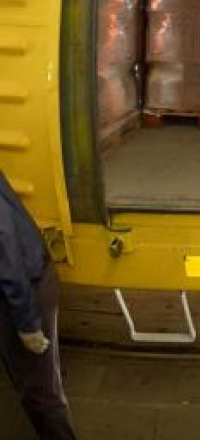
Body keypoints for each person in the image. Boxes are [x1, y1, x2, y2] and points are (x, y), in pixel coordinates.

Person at [0, 171, 77, 440]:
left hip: (23, 289)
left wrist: (26, 322)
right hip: (29, 276)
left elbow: (4, 244)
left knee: (40, 395)